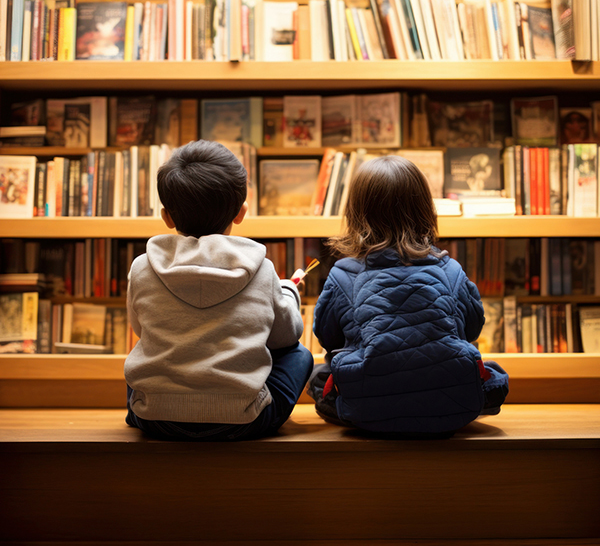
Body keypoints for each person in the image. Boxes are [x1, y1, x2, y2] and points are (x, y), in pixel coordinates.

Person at [124, 140, 314, 441]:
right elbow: (285, 336)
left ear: (167, 217)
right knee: (300, 355)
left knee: (146, 350)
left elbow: (140, 329)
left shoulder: (141, 268)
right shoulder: (261, 270)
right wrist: (288, 293)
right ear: (241, 212)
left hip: (154, 417)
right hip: (244, 419)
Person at [307, 155, 509, 437]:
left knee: (319, 377)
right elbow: (472, 327)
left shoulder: (343, 275)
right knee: (491, 372)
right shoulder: (450, 270)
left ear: (355, 214)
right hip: (453, 409)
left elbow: (327, 337)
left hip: (367, 411)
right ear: (425, 210)